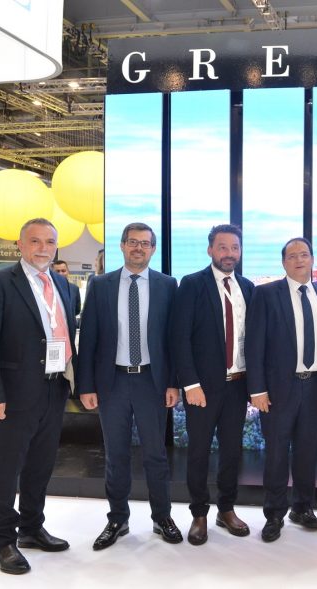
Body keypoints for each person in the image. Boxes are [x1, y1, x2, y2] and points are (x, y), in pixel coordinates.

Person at [0, 218, 76, 575]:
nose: (43, 248)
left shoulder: (63, 285)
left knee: (40, 465)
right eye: (35, 241)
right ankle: (3, 540)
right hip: (14, 394)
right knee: (6, 469)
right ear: (20, 244)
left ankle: (31, 528)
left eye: (50, 242)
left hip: (55, 388)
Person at [77, 222, 182, 550]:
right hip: (113, 382)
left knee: (156, 455)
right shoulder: (101, 285)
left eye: (145, 243)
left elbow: (173, 340)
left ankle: (162, 517)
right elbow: (89, 338)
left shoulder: (167, 285)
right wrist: (86, 385)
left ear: (153, 249)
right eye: (133, 242)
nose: (138, 248)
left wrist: (173, 383)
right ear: (122, 246)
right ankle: (117, 519)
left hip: (152, 381)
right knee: (116, 455)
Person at [245, 237, 317, 542]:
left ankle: (302, 507)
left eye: (304, 254)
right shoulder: (266, 294)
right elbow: (254, 345)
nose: (299, 260)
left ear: (312, 259)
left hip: (315, 387)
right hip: (278, 390)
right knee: (276, 453)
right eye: (292, 256)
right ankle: (274, 514)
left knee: (307, 452)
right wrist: (257, 389)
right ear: (284, 262)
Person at [169, 224, 254, 545]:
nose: (229, 253)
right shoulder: (192, 284)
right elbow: (179, 338)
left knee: (232, 452)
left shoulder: (248, 287)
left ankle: (226, 509)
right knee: (199, 452)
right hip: (202, 388)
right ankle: (199, 514)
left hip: (238, 386)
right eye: (223, 247)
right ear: (210, 250)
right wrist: (190, 383)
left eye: (235, 247)